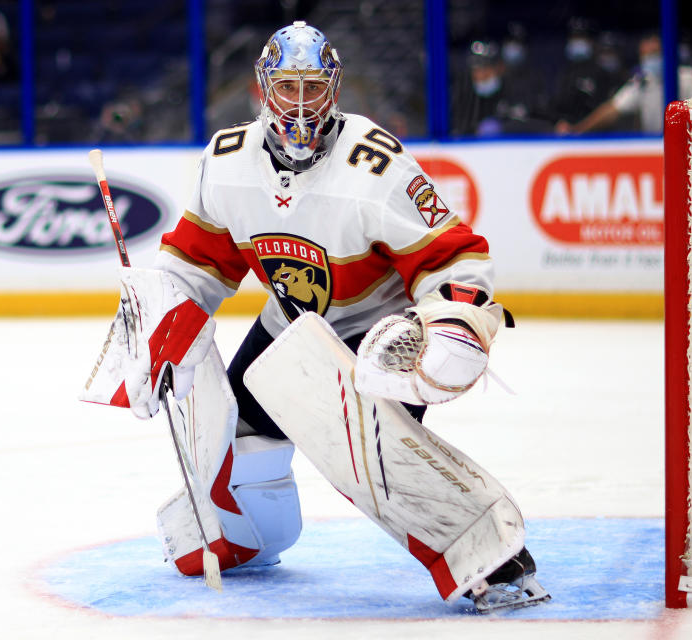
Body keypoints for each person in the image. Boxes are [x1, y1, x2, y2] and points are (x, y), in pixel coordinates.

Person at [87, 21, 549, 614]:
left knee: (368, 452)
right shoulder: (227, 161)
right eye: (287, 87)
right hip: (288, 325)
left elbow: (451, 253)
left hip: (375, 333)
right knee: (237, 431)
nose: (300, 104)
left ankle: (493, 558)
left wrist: (454, 322)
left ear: (334, 89)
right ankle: (249, 535)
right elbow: (198, 262)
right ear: (263, 89)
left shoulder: (374, 166)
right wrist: (157, 324)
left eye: (312, 87)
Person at [556, 33, 692, 134]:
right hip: (657, 146)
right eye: (646, 55)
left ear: (666, 53)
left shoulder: (689, 77)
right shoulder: (643, 81)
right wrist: (578, 130)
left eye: (654, 54)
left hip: (691, 145)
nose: (650, 60)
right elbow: (612, 109)